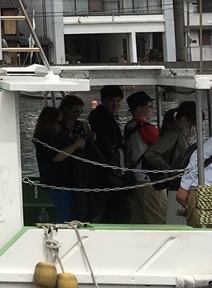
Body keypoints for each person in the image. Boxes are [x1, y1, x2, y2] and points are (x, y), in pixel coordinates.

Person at [32, 106, 83, 222]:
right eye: (59, 122)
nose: (61, 126)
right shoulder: (45, 139)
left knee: (68, 213)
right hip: (57, 183)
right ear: (50, 123)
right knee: (64, 216)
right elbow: (57, 157)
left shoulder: (57, 137)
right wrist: (76, 145)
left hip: (63, 183)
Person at [87, 85, 130, 223]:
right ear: (103, 100)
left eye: (118, 101)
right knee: (112, 204)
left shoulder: (111, 117)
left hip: (112, 165)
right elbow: (105, 142)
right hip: (106, 167)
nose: (115, 104)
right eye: (111, 101)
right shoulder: (100, 117)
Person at [123, 91, 164, 225]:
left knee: (139, 220)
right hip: (150, 180)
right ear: (139, 108)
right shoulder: (147, 128)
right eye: (149, 105)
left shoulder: (129, 126)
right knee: (159, 218)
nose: (152, 108)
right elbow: (162, 149)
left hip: (136, 178)